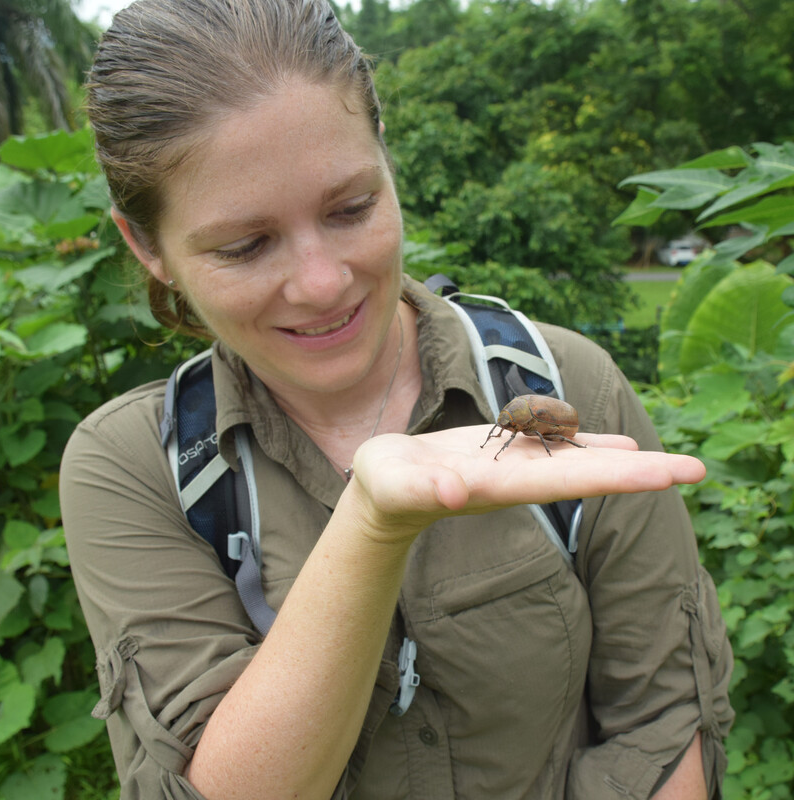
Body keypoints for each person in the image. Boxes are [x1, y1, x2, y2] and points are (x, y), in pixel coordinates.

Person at [59, 1, 734, 798]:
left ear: (388, 164)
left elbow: (665, 727)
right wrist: (374, 527)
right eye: (245, 246)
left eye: (351, 209)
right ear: (148, 247)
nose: (321, 282)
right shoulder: (136, 466)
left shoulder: (558, 380)